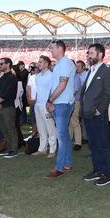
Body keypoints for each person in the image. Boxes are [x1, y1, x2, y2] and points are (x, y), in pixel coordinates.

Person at [80, 43, 110, 186]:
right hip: (88, 114)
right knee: (93, 145)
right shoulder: (92, 70)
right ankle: (97, 170)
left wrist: (99, 110)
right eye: (88, 53)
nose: (88, 56)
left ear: (100, 54)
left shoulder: (107, 71)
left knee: (102, 145)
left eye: (91, 53)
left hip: (98, 115)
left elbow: (108, 92)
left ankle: (106, 174)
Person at [45, 40, 77, 179]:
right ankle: (67, 163)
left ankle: (59, 167)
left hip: (63, 104)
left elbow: (62, 85)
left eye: (52, 48)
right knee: (63, 135)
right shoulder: (60, 64)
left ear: (59, 48)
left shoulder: (64, 63)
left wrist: (50, 100)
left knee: (61, 136)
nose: (50, 50)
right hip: (60, 103)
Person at [0, 58, 19, 158]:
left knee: (10, 128)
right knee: (4, 128)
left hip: (8, 107)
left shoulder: (12, 77)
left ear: (8, 64)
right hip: (1, 106)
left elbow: (9, 92)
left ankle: (14, 149)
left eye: (2, 63)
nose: (0, 65)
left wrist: (1, 101)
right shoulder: (2, 77)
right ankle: (8, 148)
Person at [33, 56, 57, 157]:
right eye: (38, 62)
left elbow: (53, 91)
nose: (38, 64)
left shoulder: (52, 75)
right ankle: (42, 148)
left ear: (47, 64)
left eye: (41, 62)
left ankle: (52, 149)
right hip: (38, 104)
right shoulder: (37, 76)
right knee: (41, 128)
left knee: (50, 128)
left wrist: (50, 103)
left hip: (46, 105)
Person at [71, 60, 88, 150]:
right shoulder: (73, 76)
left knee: (75, 122)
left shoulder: (75, 77)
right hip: (71, 101)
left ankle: (78, 142)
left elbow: (76, 90)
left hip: (75, 101)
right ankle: (71, 140)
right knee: (70, 122)